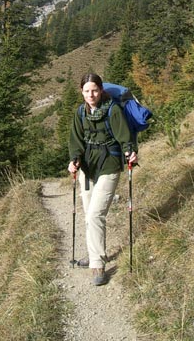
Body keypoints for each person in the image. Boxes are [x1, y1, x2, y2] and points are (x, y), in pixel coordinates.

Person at [68, 73, 138, 286]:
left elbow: (124, 136)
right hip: (88, 168)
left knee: (94, 215)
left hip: (109, 165)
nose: (91, 95)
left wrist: (130, 152)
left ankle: (97, 264)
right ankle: (95, 253)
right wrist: (74, 160)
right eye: (87, 91)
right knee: (89, 215)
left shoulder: (113, 110)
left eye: (95, 90)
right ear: (82, 92)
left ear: (101, 90)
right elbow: (76, 141)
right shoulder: (80, 113)